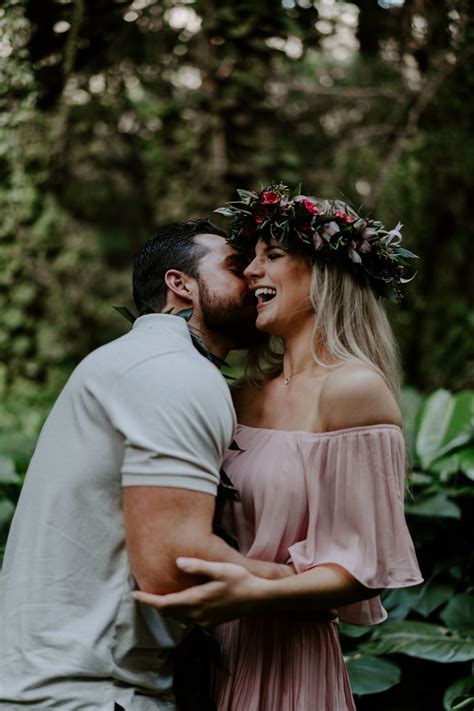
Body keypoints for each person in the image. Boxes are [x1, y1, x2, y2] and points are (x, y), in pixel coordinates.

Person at [133, 187, 424, 710]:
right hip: (204, 654)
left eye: (273, 256)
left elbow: (361, 567)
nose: (250, 273)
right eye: (249, 260)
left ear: (325, 275)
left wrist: (252, 593)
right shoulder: (235, 395)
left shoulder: (352, 389)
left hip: (288, 659)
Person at [0, 219, 293, 710]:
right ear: (180, 285)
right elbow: (172, 567)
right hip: (87, 693)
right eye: (236, 266)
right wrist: (297, 584)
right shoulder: (171, 370)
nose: (255, 277)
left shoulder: (143, 360)